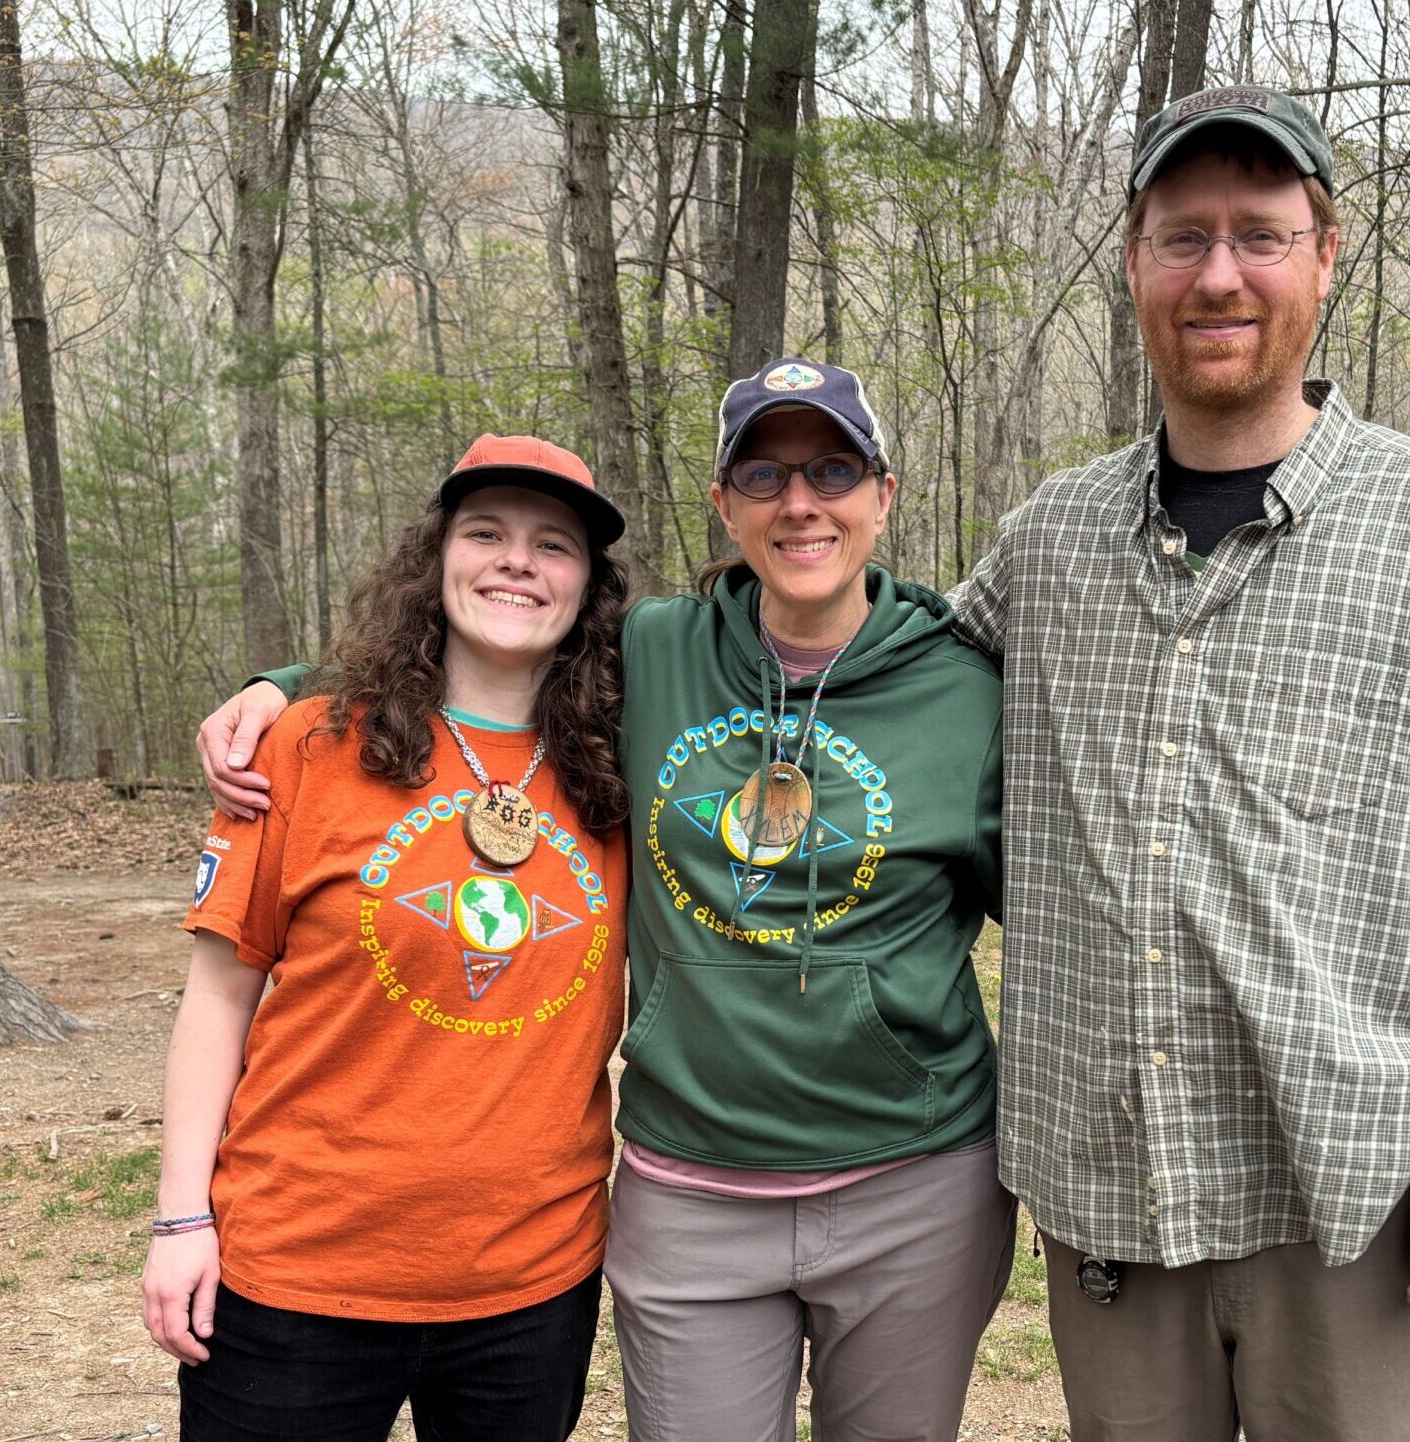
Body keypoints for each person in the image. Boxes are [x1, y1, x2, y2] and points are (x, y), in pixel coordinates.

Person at [198, 358, 1016, 1442]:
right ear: (725, 504)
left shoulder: (970, 684)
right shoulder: (657, 651)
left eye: (832, 467)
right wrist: (282, 682)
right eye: (764, 475)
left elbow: (1049, 903)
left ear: (883, 491)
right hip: (693, 1177)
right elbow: (489, 638)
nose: (801, 500)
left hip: (915, 1173)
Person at [946, 84, 1410, 1440]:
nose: (1219, 274)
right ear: (1134, 263)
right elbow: (890, 721)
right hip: (1113, 1195)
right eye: (1183, 237)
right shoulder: (1049, 543)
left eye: (1260, 234)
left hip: (1348, 1201)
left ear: (1326, 255)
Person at [144, 434, 632, 1441]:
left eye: (553, 545)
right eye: (485, 531)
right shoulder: (304, 744)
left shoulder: (623, 771)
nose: (515, 561)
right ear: (435, 556)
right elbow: (218, 995)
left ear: (588, 587)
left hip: (530, 1281)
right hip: (297, 1270)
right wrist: (181, 1214)